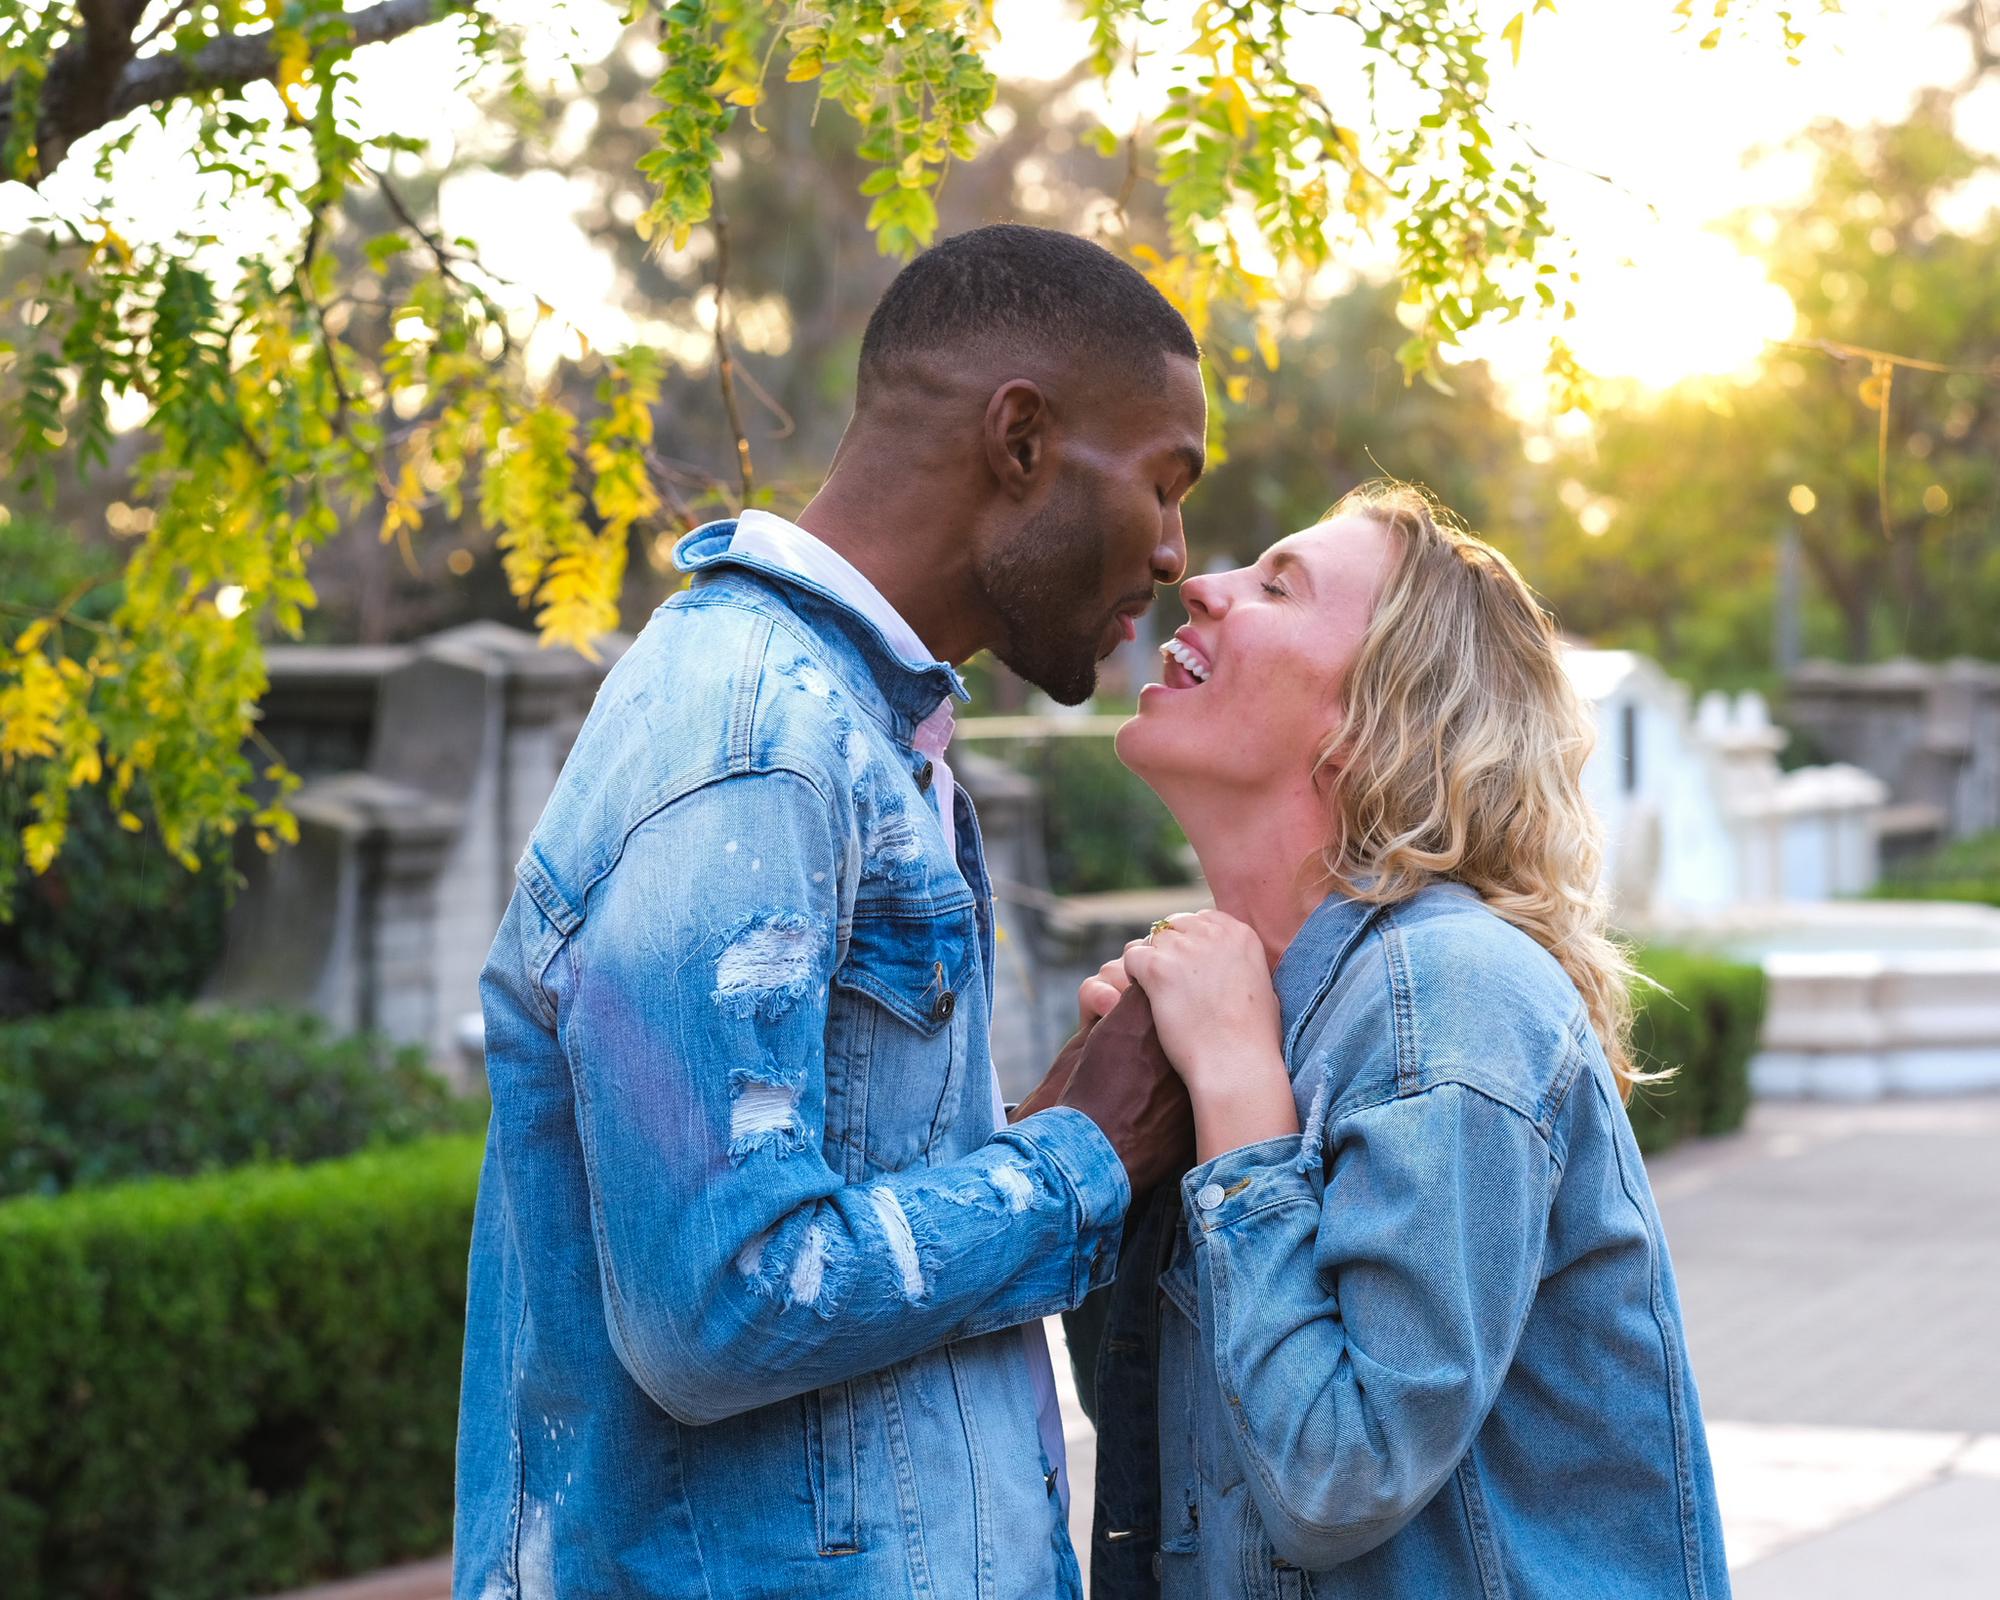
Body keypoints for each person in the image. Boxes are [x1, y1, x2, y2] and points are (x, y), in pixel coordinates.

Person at [453, 224, 1204, 1600]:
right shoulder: (753, 743)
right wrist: (1078, 1164)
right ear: (1021, 440)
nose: (1171, 552)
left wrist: (1034, 1145)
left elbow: (838, 1202)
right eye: (1163, 486)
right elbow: (721, 1302)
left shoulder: (863, 730)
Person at [1070, 481, 1732, 1599]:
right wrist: (1110, 1160)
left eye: (1276, 584)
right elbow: (1174, 1441)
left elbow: (1335, 1475)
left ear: (1373, 718)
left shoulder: (1447, 997)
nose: (1202, 583)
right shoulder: (1260, 1008)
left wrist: (1237, 1105)